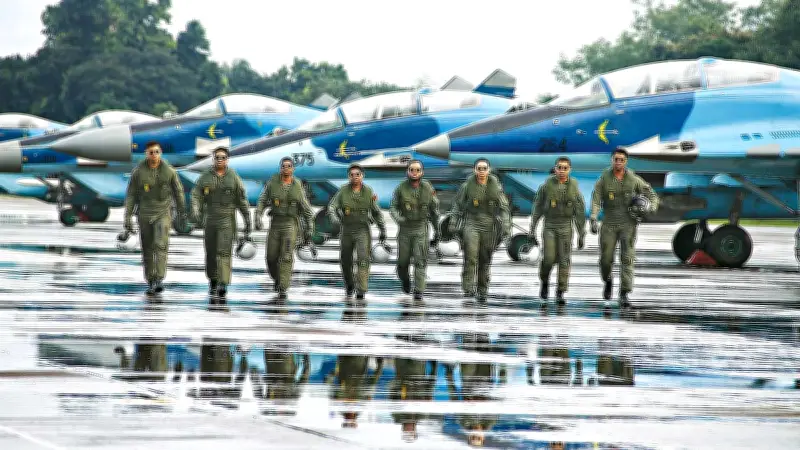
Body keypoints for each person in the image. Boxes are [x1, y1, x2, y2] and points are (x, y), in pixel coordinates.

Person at [589, 148, 658, 307]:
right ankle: (608, 280)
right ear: (612, 160)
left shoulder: (634, 180)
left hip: (628, 223)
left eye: (622, 160)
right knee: (606, 259)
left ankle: (624, 293)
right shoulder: (604, 180)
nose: (618, 162)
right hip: (609, 223)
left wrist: (651, 208)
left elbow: (651, 194)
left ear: (626, 162)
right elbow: (596, 199)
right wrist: (593, 218)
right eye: (616, 159)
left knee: (627, 258)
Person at [122, 140, 186, 296]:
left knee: (160, 245)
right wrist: (127, 217)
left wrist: (182, 213)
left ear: (160, 153)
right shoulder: (138, 173)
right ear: (146, 154)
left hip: (163, 214)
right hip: (144, 214)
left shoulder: (169, 172)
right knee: (148, 248)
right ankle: (151, 279)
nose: (154, 155)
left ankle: (159, 278)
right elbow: (131, 196)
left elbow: (178, 192)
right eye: (151, 152)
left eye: (157, 152)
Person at [190, 146, 252, 299]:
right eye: (217, 157)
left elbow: (242, 200)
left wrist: (247, 221)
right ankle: (213, 280)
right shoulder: (205, 176)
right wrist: (196, 209)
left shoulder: (233, 177)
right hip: (210, 219)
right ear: (213, 159)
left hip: (227, 220)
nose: (220, 160)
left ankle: (223, 283)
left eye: (223, 157)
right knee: (211, 253)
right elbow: (196, 194)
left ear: (227, 160)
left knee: (224, 253)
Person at [447, 158, 512, 303]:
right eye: (479, 168)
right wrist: (453, 222)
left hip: (489, 225)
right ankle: (468, 288)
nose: (481, 171)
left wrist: (506, 227)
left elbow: (504, 208)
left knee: (485, 258)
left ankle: (482, 289)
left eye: (484, 168)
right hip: (471, 223)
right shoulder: (467, 186)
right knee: (470, 256)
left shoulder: (496, 187)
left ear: (489, 170)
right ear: (474, 170)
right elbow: (457, 205)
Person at [254, 156, 314, 299]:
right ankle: (278, 279)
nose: (286, 168)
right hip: (275, 224)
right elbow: (262, 200)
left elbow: (305, 208)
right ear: (280, 168)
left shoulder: (297, 186)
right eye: (283, 166)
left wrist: (309, 227)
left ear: (293, 169)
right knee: (271, 257)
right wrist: (258, 215)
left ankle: (283, 287)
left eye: (289, 166)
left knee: (286, 256)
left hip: (290, 225)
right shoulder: (272, 183)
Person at [529, 156, 587, 304]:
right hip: (550, 226)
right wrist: (532, 228)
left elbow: (579, 212)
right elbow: (537, 208)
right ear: (555, 169)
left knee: (564, 259)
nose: (562, 171)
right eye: (559, 168)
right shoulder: (546, 187)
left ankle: (560, 291)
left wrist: (581, 234)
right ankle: (544, 282)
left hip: (566, 226)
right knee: (548, 258)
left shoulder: (574, 188)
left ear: (570, 170)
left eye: (565, 168)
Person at [327, 163, 387, 302]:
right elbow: (332, 207)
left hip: (362, 230)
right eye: (352, 175)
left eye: (357, 174)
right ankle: (349, 286)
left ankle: (361, 290)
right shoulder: (343, 191)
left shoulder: (368, 192)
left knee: (363, 260)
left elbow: (376, 212)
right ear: (349, 176)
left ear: (362, 176)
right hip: (347, 230)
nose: (355, 177)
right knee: (345, 261)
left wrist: (382, 229)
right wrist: (334, 218)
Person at [389, 159, 440, 302]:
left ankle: (419, 291)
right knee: (402, 263)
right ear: (408, 172)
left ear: (422, 172)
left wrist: (437, 231)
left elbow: (434, 211)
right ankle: (405, 280)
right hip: (405, 229)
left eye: (417, 170)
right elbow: (393, 207)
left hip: (421, 228)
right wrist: (399, 218)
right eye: (412, 170)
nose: (414, 172)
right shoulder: (401, 188)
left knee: (420, 261)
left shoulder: (427, 188)